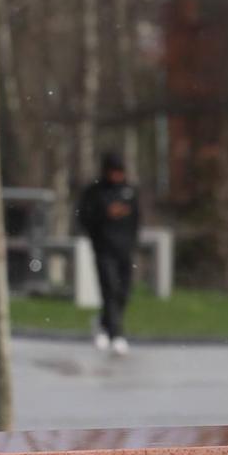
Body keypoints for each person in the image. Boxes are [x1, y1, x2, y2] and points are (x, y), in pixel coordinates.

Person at [78, 151, 140, 354]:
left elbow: (137, 219)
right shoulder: (95, 193)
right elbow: (84, 218)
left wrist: (133, 242)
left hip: (125, 249)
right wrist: (104, 217)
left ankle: (104, 323)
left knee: (124, 291)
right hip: (104, 249)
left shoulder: (129, 192)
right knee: (109, 288)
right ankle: (116, 334)